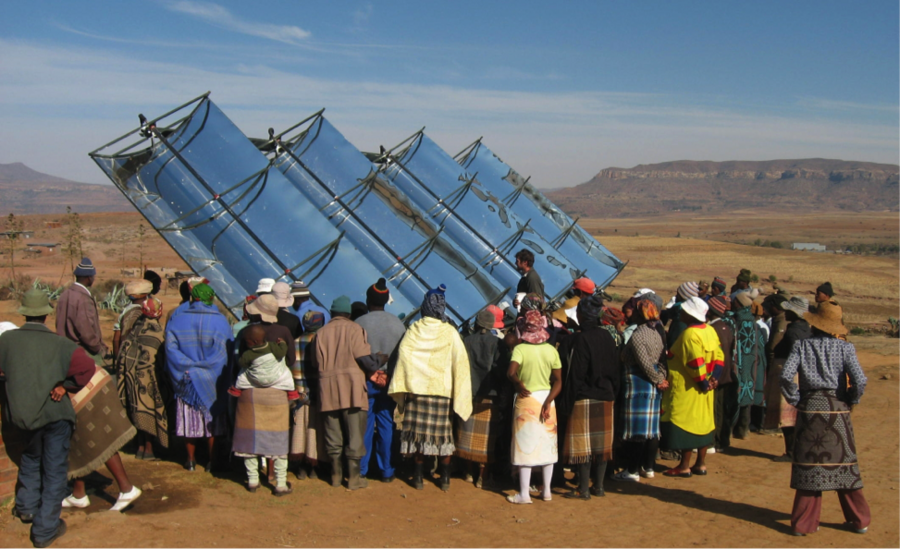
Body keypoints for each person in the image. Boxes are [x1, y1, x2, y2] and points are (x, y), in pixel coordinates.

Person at [0, 290, 95, 547]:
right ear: (45, 315)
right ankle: (45, 530)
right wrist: (65, 386)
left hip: (21, 416)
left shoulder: (6, 340)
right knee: (54, 471)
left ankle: (27, 509)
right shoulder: (61, 344)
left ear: (24, 314)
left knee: (31, 459)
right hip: (54, 415)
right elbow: (87, 368)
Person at [781, 302, 870, 536]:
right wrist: (852, 400)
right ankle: (860, 520)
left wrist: (796, 398)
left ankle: (803, 524)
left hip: (810, 408)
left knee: (810, 466)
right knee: (845, 465)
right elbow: (860, 380)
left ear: (814, 323)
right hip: (837, 410)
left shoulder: (802, 345)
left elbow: (785, 375)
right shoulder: (846, 348)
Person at [389, 287, 472, 491]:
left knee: (418, 437)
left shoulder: (415, 329)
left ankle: (417, 478)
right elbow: (460, 362)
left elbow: (405, 354)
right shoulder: (450, 332)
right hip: (441, 393)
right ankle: (444, 480)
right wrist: (458, 391)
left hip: (417, 392)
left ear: (424, 307)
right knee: (442, 437)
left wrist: (407, 382)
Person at [310, 295, 387, 490]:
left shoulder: (321, 333)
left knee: (333, 434)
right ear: (348, 313)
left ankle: (335, 476)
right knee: (355, 434)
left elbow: (314, 362)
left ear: (333, 313)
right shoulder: (355, 329)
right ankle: (353, 479)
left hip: (327, 388)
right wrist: (379, 359)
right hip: (352, 389)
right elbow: (365, 361)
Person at [165, 283, 233, 472]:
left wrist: (189, 368)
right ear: (211, 299)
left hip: (186, 379)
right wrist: (206, 369)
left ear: (193, 298)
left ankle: (191, 460)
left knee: (189, 420)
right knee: (212, 420)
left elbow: (170, 350)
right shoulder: (221, 322)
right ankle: (212, 460)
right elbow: (224, 353)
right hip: (213, 379)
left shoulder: (177, 320)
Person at [557, 296, 620, 499]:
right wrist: (614, 394)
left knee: (583, 446)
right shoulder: (607, 337)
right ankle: (599, 487)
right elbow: (616, 370)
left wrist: (566, 403)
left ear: (581, 315)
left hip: (584, 397)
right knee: (601, 446)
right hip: (606, 395)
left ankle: (583, 489)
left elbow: (576, 374)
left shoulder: (582, 339)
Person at [660, 297, 724, 477]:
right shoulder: (710, 331)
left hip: (689, 387)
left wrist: (703, 382)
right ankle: (700, 463)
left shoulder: (690, 334)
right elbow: (719, 355)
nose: (681, 314)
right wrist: (714, 379)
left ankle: (684, 465)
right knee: (703, 423)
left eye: (684, 311)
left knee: (687, 425)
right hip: (706, 387)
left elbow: (695, 362)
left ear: (690, 314)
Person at [506, 310, 562, 504]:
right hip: (547, 398)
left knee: (525, 447)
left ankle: (524, 494)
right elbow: (558, 381)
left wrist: (518, 383)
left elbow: (511, 372)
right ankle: (546, 491)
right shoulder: (551, 350)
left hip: (526, 399)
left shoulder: (520, 350)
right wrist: (548, 401)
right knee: (548, 445)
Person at [355, 278, 407, 483]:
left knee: (365, 424)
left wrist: (371, 373)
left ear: (368, 300)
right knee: (386, 422)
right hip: (388, 381)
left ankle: (363, 469)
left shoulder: (359, 324)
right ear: (385, 301)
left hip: (366, 380)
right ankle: (386, 470)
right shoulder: (397, 324)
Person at [615, 298, 667, 482]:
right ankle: (649, 467)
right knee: (651, 430)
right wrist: (661, 378)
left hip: (638, 385)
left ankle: (632, 470)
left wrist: (658, 379)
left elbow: (644, 363)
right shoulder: (657, 332)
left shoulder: (639, 335)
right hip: (652, 387)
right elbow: (660, 359)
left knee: (636, 431)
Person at [456, 306, 507, 489]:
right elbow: (501, 370)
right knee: (486, 438)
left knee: (467, 434)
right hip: (489, 396)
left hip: (469, 394)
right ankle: (483, 477)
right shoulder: (497, 344)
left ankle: (469, 472)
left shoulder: (466, 341)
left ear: (477, 325)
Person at [115, 296, 170, 461]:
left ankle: (140, 446)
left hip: (132, 381)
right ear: (159, 313)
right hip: (149, 382)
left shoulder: (134, 332)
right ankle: (148, 448)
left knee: (136, 409)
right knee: (149, 410)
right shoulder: (158, 335)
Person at [767, 297, 812, 462]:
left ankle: (791, 452)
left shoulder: (793, 331)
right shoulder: (806, 329)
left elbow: (795, 352)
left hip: (789, 374)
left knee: (788, 416)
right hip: (800, 375)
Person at [289, 311, 326, 480]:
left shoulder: (295, 343)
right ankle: (315, 466)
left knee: (300, 430)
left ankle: (301, 465)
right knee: (316, 430)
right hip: (319, 393)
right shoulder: (324, 342)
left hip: (300, 394)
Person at [726, 293, 767, 439]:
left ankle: (734, 428)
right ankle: (743, 429)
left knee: (737, 393)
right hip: (752, 364)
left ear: (739, 304)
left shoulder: (738, 320)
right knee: (747, 394)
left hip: (741, 363)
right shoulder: (753, 322)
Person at [55, 258, 107, 363]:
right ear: (89, 277)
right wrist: (98, 348)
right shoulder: (83, 299)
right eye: (93, 276)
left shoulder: (65, 295)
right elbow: (86, 331)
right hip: (83, 353)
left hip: (64, 351)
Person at [707, 296, 737, 452]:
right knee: (722, 409)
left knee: (714, 410)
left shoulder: (713, 329)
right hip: (727, 375)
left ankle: (714, 441)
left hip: (717, 376)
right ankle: (723, 440)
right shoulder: (725, 327)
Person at [230, 325, 296, 394]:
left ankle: (237, 389)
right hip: (275, 378)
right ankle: (291, 391)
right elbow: (281, 353)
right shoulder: (272, 345)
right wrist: (282, 343)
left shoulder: (248, 353)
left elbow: (242, 363)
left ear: (255, 342)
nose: (246, 344)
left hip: (256, 380)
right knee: (286, 373)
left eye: (247, 342)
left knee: (242, 373)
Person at [112, 279, 152, 359]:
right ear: (146, 295)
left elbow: (116, 340)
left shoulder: (124, 312)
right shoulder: (150, 311)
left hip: (126, 355)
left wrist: (117, 360)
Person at [662, 282, 699, 348]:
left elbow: (674, 342)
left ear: (682, 297)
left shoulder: (682, 316)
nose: (675, 296)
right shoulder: (683, 313)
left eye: (678, 294)